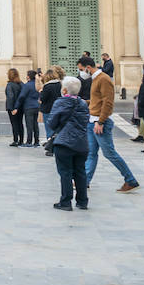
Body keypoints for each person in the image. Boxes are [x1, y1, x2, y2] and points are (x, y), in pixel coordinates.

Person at [80, 55, 139, 193]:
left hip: (100, 122)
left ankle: (130, 180)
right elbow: (98, 101)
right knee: (91, 153)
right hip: (92, 120)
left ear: (88, 68)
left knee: (109, 153)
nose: (81, 73)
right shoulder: (96, 79)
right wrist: (84, 102)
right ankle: (85, 181)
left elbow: (108, 102)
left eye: (81, 70)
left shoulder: (103, 79)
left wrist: (101, 121)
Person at [45, 76, 90, 210]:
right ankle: (82, 201)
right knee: (80, 172)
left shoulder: (61, 103)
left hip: (64, 142)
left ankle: (66, 201)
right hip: (82, 142)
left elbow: (52, 123)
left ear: (64, 90)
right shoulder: (83, 103)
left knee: (65, 173)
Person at [19, 69, 40, 147]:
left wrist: (18, 105)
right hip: (36, 106)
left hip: (29, 106)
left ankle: (29, 141)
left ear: (28, 76)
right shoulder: (37, 84)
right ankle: (37, 141)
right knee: (35, 124)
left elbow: (22, 96)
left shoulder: (27, 85)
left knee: (29, 125)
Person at [4, 68, 25, 147]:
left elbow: (10, 97)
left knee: (14, 124)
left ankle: (15, 140)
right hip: (20, 107)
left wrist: (12, 108)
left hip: (12, 107)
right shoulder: (21, 83)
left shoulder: (10, 85)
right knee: (20, 123)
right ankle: (21, 140)